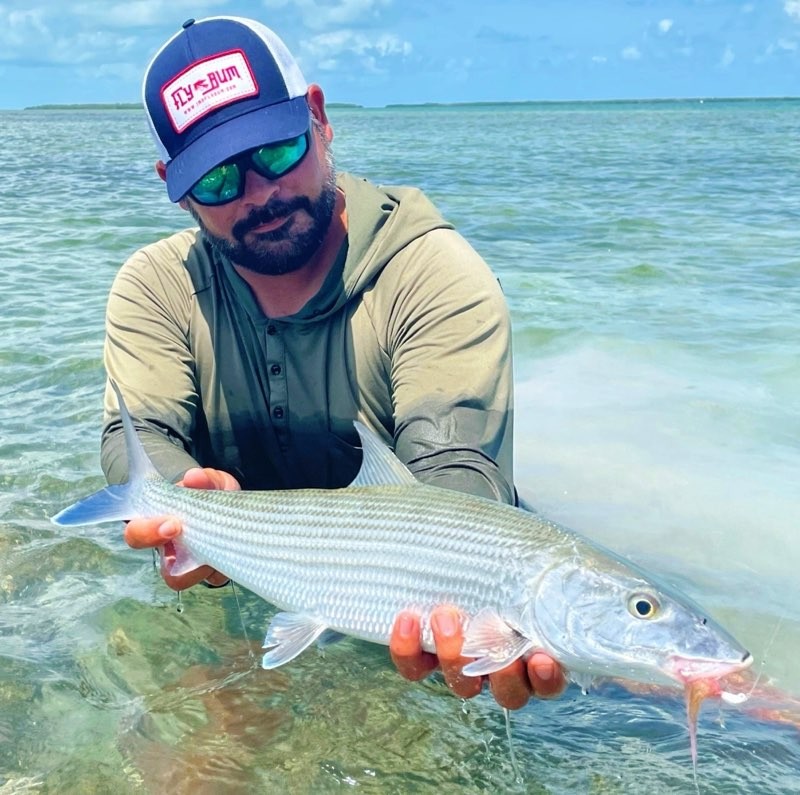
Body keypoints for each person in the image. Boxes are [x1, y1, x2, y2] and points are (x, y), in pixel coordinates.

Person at [106, 15, 565, 709]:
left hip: (411, 592)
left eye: (280, 149)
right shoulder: (154, 286)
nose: (260, 193)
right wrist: (179, 500)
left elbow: (458, 469)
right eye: (220, 178)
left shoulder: (433, 272)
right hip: (248, 570)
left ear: (319, 118)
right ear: (175, 184)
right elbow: (134, 435)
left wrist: (471, 593)